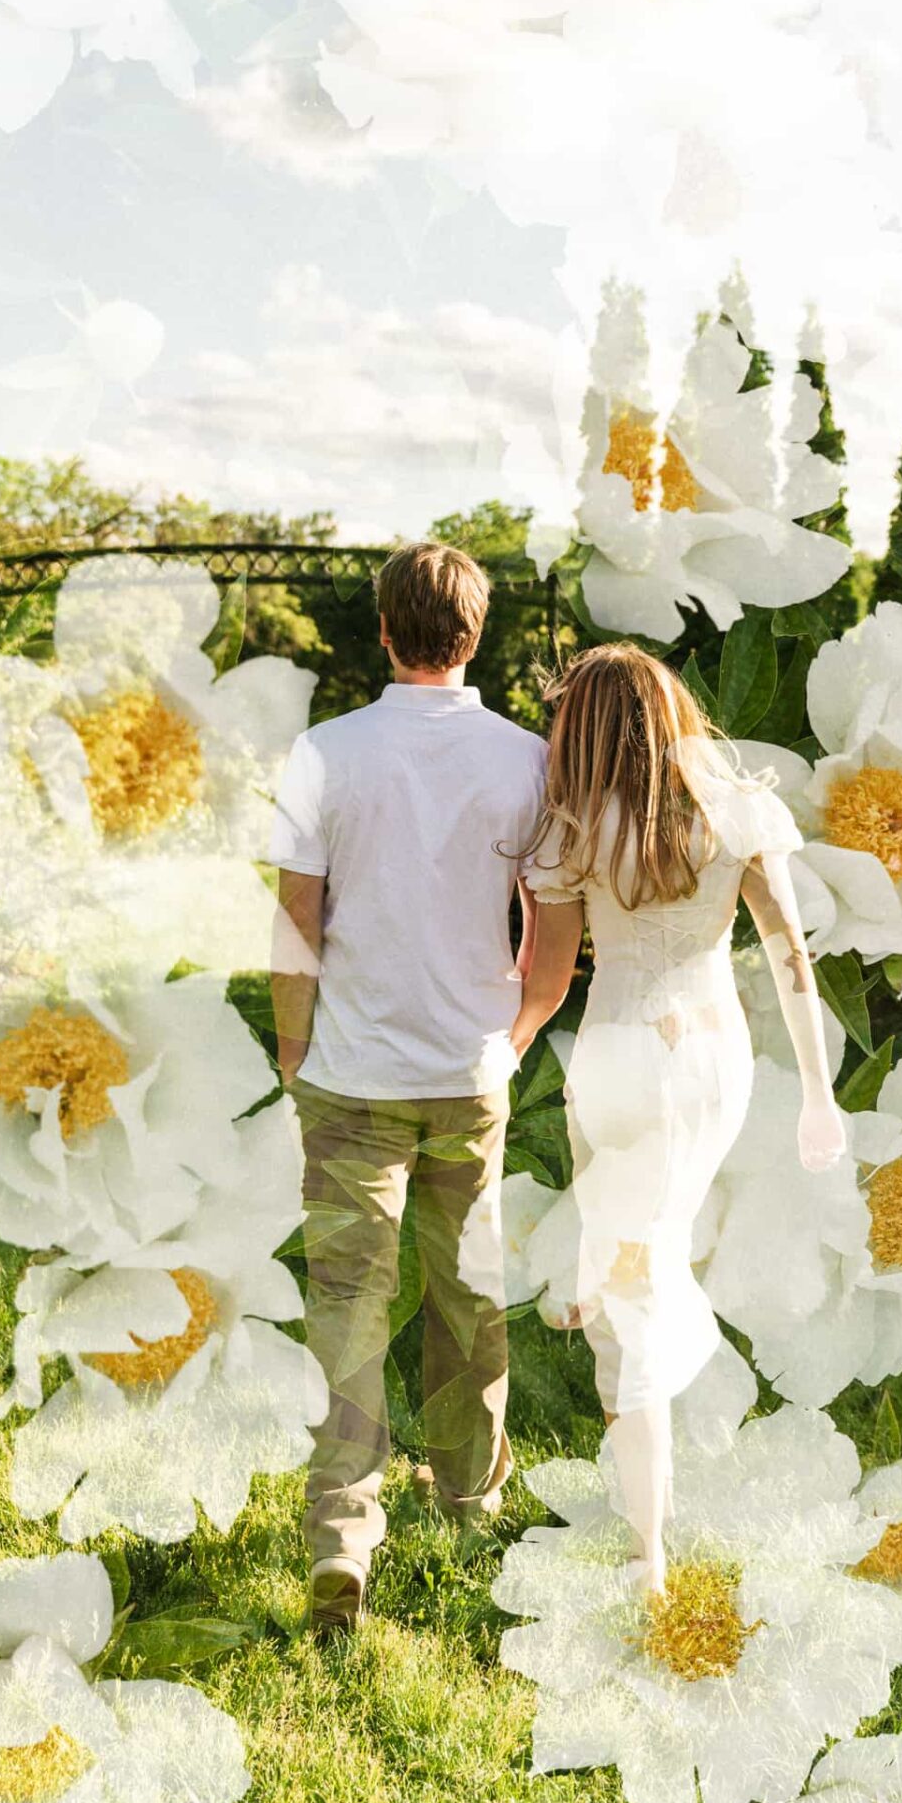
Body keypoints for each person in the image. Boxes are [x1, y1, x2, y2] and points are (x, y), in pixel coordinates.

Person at [507, 642, 845, 1596]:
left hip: (619, 1056)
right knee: (650, 1255)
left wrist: (505, 1050)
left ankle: (647, 1553)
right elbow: (791, 962)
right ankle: (658, 1446)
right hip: (711, 1060)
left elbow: (547, 977)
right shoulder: (735, 812)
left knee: (632, 1288)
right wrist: (816, 1091)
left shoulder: (574, 834)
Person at [269, 541, 548, 1638]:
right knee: (469, 1293)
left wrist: (297, 1056)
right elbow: (549, 930)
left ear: (381, 629)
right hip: (469, 1072)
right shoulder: (528, 758)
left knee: (348, 1302)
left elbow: (297, 923)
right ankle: (470, 1499)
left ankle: (344, 1532)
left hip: (350, 1076)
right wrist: (512, 1037)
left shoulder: (322, 753)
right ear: (475, 636)